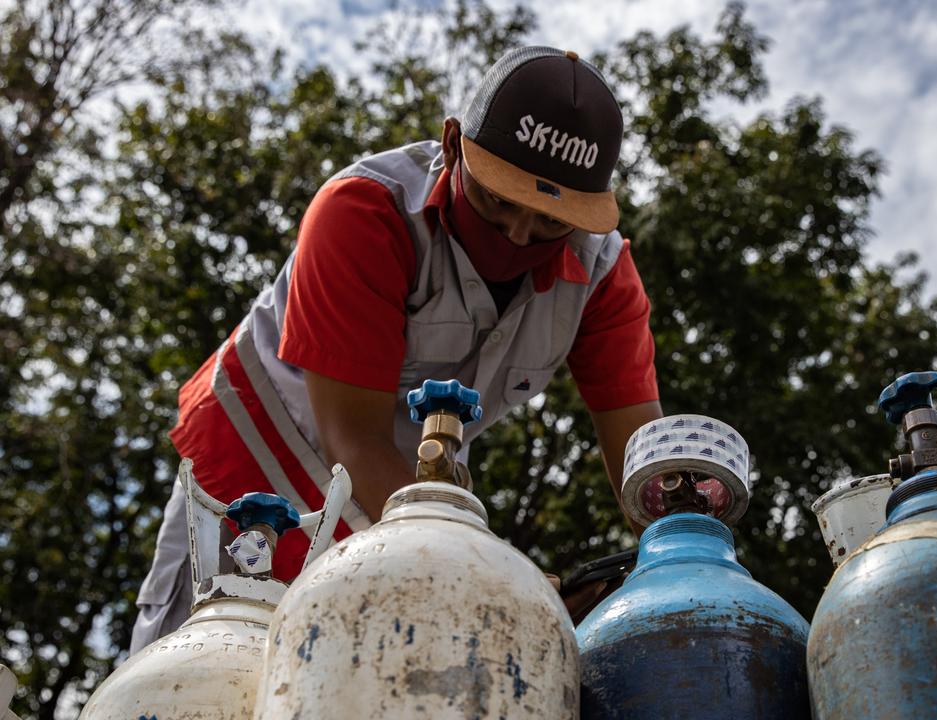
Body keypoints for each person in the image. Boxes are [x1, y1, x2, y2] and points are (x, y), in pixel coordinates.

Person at [130, 46, 662, 652]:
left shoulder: (603, 278)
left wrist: (680, 563)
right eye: (497, 200)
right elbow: (354, 442)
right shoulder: (366, 211)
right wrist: (495, 574)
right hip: (247, 493)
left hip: (393, 524)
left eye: (548, 221)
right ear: (455, 143)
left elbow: (643, 471)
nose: (518, 235)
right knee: (186, 685)